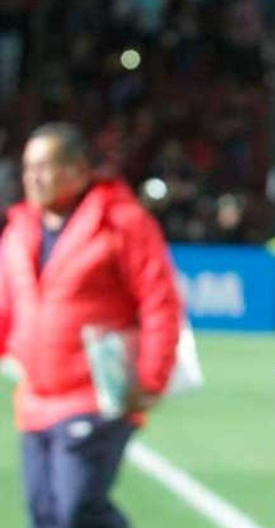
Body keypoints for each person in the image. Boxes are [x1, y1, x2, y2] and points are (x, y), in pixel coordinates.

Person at [0, 122, 184, 528]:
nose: (32, 177)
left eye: (44, 167)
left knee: (78, 509)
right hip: (36, 399)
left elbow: (159, 300)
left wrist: (151, 377)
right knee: (45, 513)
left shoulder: (121, 222)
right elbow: (6, 306)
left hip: (97, 395)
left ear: (78, 170)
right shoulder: (19, 229)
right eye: (28, 167)